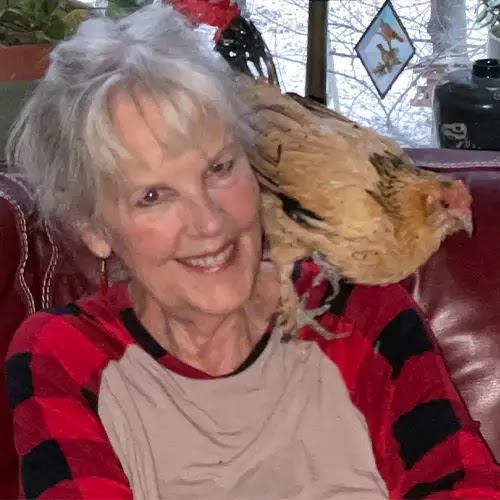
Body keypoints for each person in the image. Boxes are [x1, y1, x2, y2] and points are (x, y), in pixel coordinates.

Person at [4, 4, 500, 499]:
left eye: (219, 169)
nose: (209, 221)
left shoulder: (358, 315)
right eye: (152, 196)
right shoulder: (66, 356)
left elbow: (463, 485)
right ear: (95, 227)